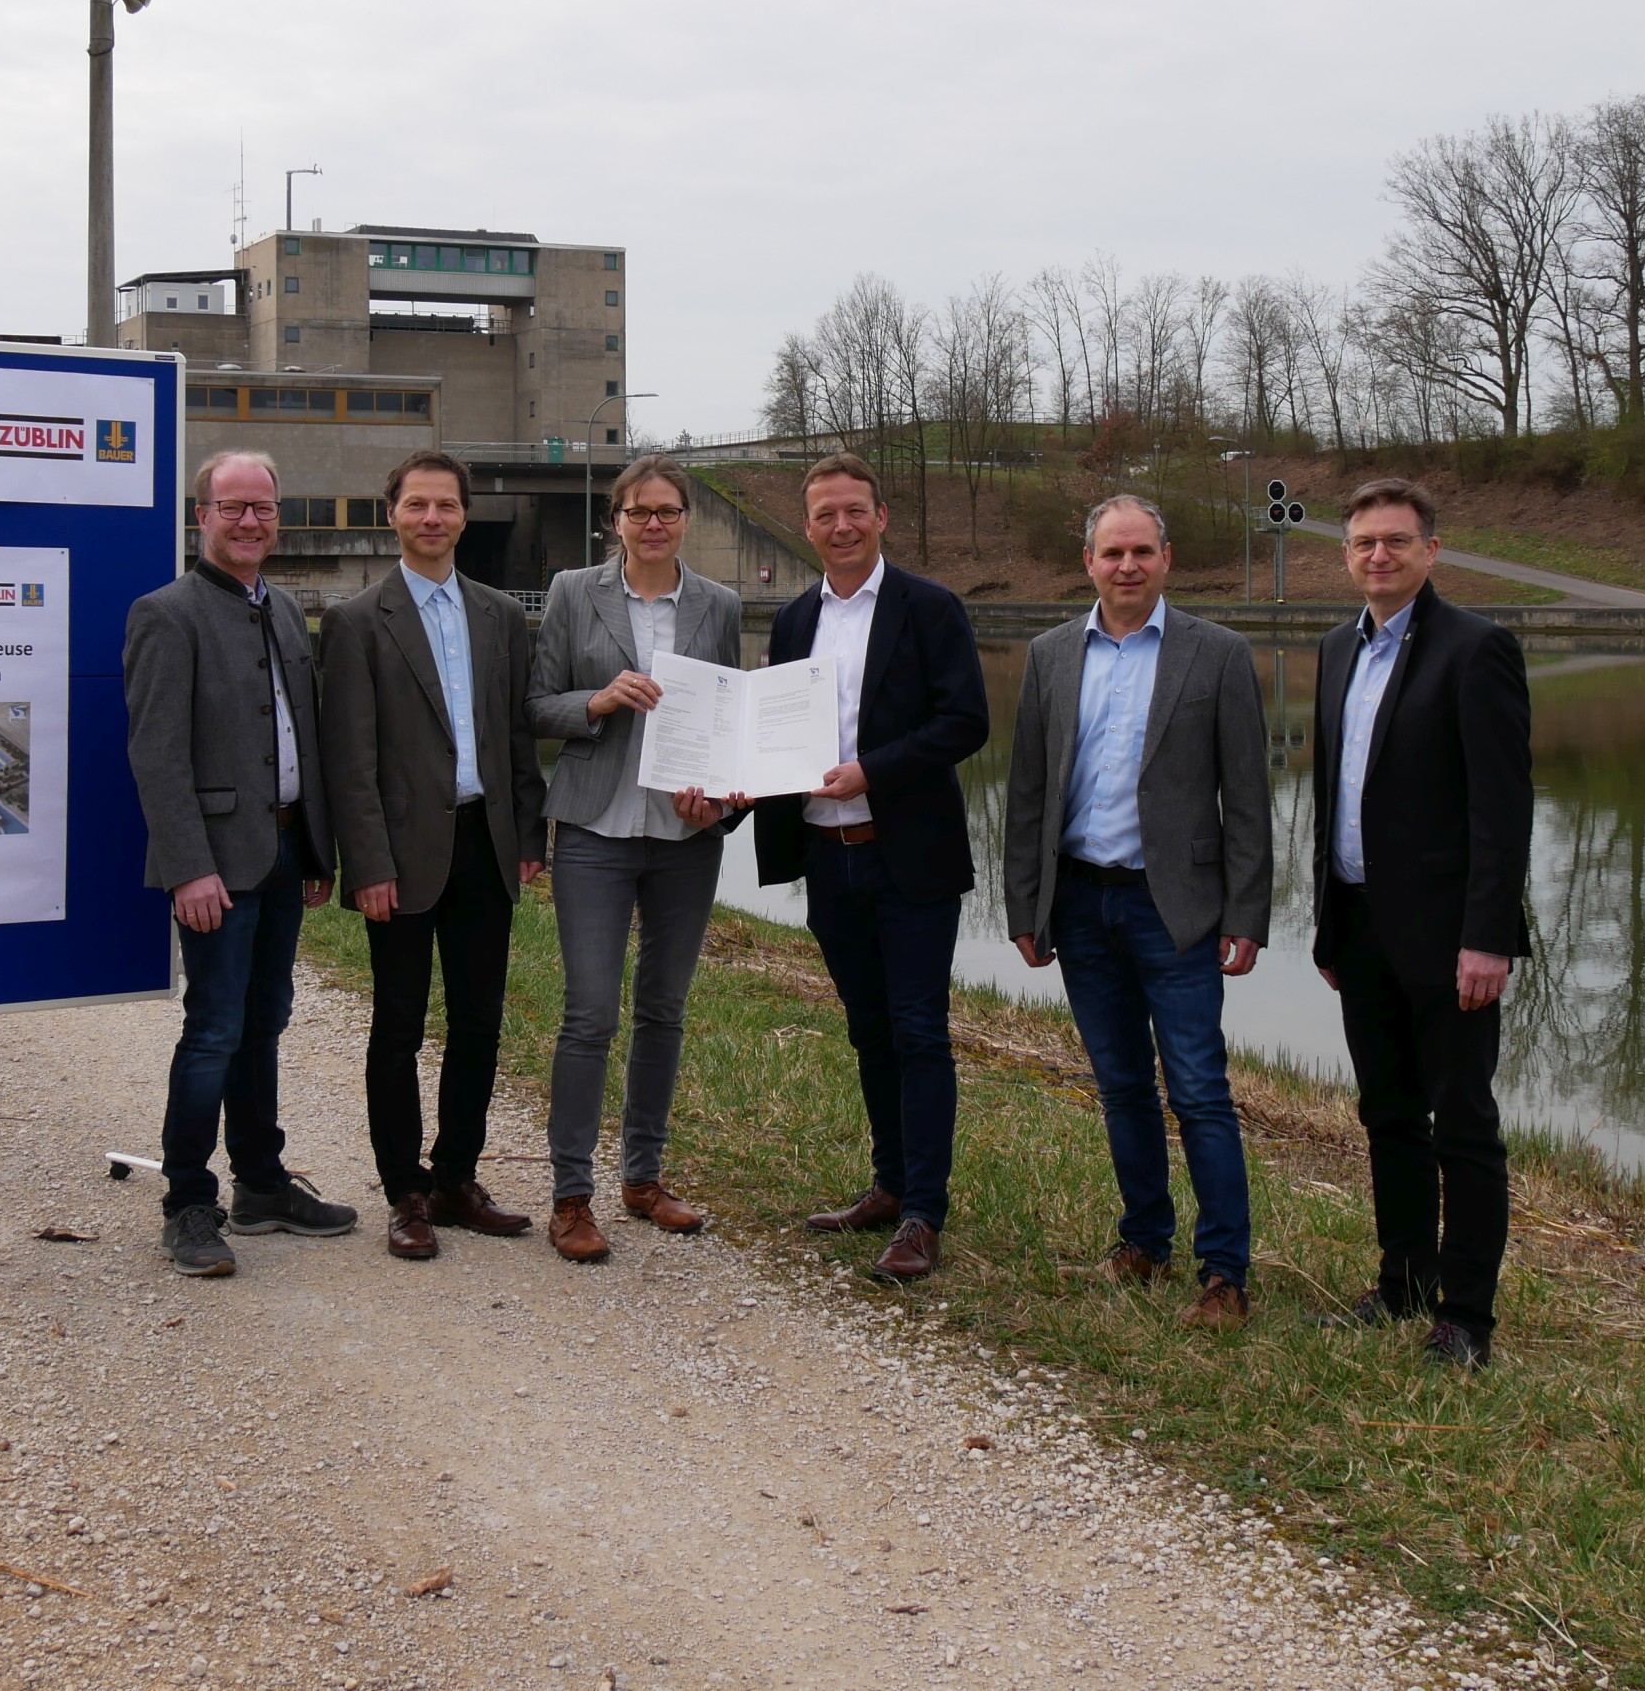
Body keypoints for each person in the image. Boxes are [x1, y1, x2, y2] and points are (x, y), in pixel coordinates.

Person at [1002, 495, 1271, 1329]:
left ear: (1167, 557)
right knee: (1120, 1086)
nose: (1127, 566)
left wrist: (1247, 912)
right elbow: (1029, 790)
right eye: (1112, 552)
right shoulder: (1050, 655)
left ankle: (1225, 1271)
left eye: (1142, 551)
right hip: (1080, 901)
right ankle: (1144, 1241)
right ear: (1088, 560)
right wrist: (1026, 902)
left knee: (1199, 1089)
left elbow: (1250, 798)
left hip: (1177, 907)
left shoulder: (1217, 654)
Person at [1308, 475, 1532, 1369]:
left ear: (1431, 551)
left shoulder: (1477, 649)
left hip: (1449, 939)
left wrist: (1490, 935)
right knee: (1388, 1113)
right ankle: (1401, 1281)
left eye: (1397, 540)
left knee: (1463, 1120)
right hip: (1360, 927)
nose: (1379, 555)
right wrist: (1329, 925)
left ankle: (1466, 1317)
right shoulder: (1335, 649)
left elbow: (1502, 808)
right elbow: (1332, 800)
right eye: (1364, 542)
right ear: (1347, 555)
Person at [750, 453, 990, 1283]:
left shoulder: (930, 608)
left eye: (855, 511)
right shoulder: (790, 621)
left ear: (881, 516)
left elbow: (967, 721)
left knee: (920, 1032)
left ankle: (925, 1213)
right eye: (825, 515)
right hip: (828, 854)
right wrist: (734, 785)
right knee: (868, 1030)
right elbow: (775, 739)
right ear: (807, 526)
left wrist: (872, 771)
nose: (842, 526)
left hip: (908, 858)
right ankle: (888, 1187)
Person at [123, 448, 355, 1279]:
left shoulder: (287, 610)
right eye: (233, 507)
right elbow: (156, 754)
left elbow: (302, 732)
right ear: (202, 516)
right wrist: (188, 866)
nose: (250, 520)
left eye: (263, 506)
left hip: (286, 853)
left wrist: (317, 848)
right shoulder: (166, 613)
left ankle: (261, 1183)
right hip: (215, 864)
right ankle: (189, 1200)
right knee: (214, 1028)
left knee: (266, 1022)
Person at [318, 448, 549, 1261]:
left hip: (486, 841)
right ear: (394, 515)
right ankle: (405, 1191)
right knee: (399, 1027)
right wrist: (367, 863)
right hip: (402, 856)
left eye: (445, 505)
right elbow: (350, 760)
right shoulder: (354, 622)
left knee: (479, 1024)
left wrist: (529, 831)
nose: (431, 518)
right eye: (416, 504)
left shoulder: (498, 615)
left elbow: (517, 732)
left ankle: (456, 1177)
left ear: (464, 515)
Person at [525, 454, 746, 1263]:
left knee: (664, 1009)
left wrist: (723, 793)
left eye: (669, 510)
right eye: (639, 510)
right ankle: (571, 1195)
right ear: (614, 520)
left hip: (684, 836)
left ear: (686, 518)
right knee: (590, 1012)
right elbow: (536, 704)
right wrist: (597, 700)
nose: (654, 523)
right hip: (593, 830)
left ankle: (643, 1178)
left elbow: (731, 717)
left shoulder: (719, 603)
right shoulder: (572, 591)